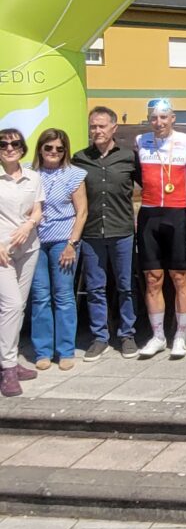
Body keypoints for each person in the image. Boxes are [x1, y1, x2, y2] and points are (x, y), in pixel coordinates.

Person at [135, 99, 186, 359]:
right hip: (150, 213)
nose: (159, 123)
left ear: (173, 118)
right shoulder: (140, 141)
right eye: (154, 118)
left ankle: (181, 336)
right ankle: (158, 336)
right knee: (152, 278)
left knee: (179, 277)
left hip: (177, 214)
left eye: (164, 117)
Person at [73, 106, 140, 361]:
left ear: (114, 127)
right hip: (91, 233)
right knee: (95, 287)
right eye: (93, 126)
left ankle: (127, 334)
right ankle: (100, 337)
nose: (97, 131)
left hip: (122, 231)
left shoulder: (129, 158)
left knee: (125, 286)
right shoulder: (80, 159)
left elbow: (154, 184)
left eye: (102, 126)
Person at [29, 128, 88, 371]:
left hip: (63, 242)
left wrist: (71, 244)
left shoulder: (74, 175)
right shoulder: (30, 175)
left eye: (59, 148)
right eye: (49, 147)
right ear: (40, 149)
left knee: (63, 297)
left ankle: (65, 350)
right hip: (34, 244)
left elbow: (82, 212)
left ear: (65, 151)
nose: (54, 152)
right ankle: (43, 350)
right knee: (40, 297)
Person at [0, 129, 43, 396]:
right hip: (3, 250)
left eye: (15, 144)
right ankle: (7, 368)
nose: (9, 148)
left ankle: (12, 361)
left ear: (23, 148)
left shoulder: (33, 177)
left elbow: (38, 209)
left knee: (19, 307)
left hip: (28, 248)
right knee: (12, 305)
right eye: (3, 144)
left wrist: (29, 225)